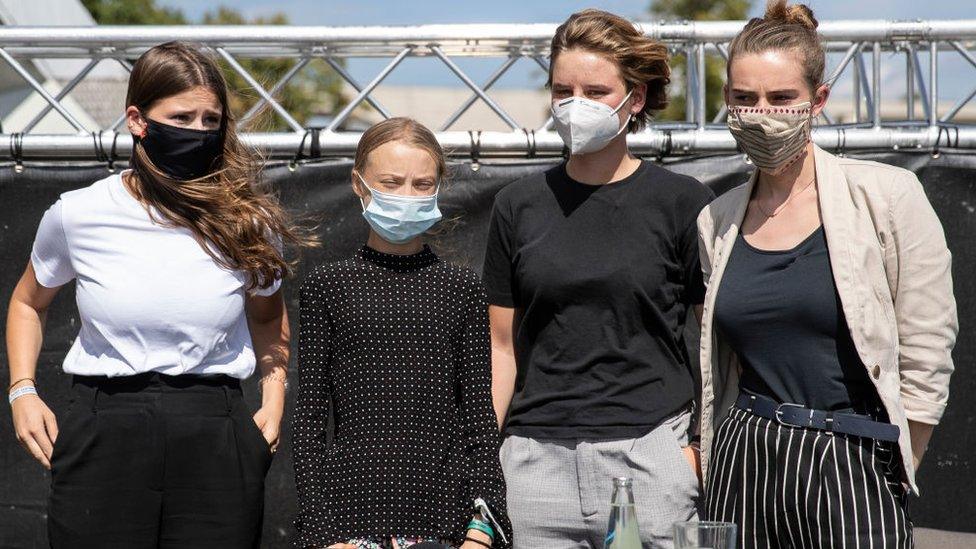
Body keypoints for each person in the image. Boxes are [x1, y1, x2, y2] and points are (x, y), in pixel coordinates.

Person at [5, 41, 304, 548]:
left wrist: (273, 401)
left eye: (211, 120)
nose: (199, 131)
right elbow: (27, 303)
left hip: (216, 430)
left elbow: (268, 319)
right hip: (105, 429)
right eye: (182, 117)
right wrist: (22, 391)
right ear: (137, 120)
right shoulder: (77, 213)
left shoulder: (246, 221)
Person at [696, 2, 958, 547]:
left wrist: (897, 460)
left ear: (818, 100)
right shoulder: (716, 220)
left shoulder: (887, 197)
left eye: (780, 98)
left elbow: (927, 347)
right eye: (744, 99)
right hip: (746, 458)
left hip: (854, 459)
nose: (760, 113)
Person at [482, 9, 714, 548]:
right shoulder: (516, 206)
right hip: (535, 466)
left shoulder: (683, 203)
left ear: (635, 99)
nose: (575, 105)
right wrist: (486, 461)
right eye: (563, 90)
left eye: (596, 90)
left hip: (652, 457)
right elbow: (501, 350)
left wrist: (695, 452)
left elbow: (712, 343)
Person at [293, 117, 511, 549]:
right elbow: (309, 422)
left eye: (421, 184)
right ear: (360, 184)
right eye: (391, 183)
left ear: (438, 187)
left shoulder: (460, 289)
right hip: (348, 521)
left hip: (443, 521)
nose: (406, 196)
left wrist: (483, 528)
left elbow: (480, 420)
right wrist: (322, 534)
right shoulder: (327, 287)